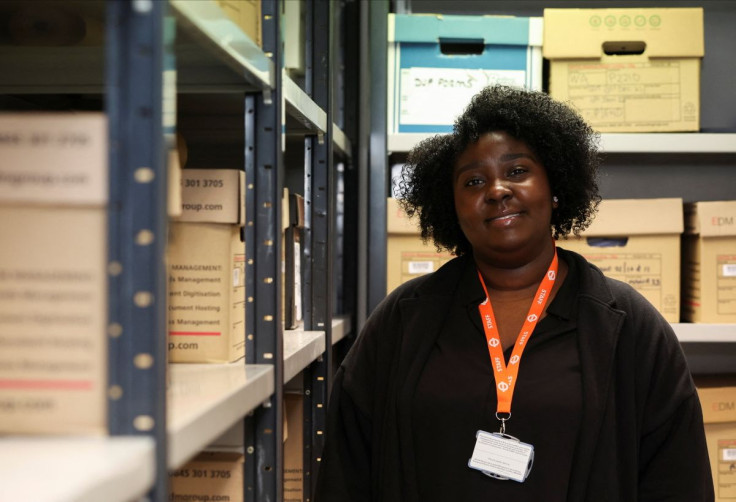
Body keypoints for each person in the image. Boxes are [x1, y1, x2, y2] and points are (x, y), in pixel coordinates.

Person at [314, 85, 714, 501]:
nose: (497, 189)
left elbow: (678, 478)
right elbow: (348, 470)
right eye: (473, 181)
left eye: (518, 171)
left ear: (555, 187)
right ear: (452, 206)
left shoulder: (629, 324)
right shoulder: (403, 318)